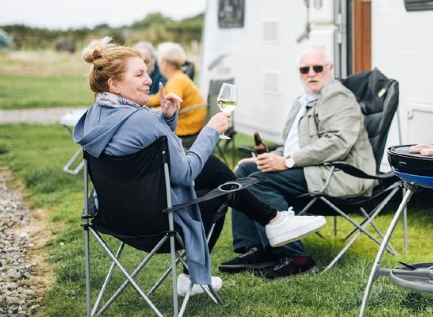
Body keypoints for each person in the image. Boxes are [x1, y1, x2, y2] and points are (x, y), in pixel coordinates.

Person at [73, 37, 326, 296]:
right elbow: (184, 172)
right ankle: (262, 229)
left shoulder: (93, 118)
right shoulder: (140, 119)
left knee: (215, 170)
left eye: (147, 73)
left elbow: (146, 143)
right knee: (222, 187)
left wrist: (166, 118)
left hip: (116, 219)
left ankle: (273, 220)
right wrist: (210, 131)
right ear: (114, 84)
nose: (148, 80)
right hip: (159, 224)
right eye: (139, 74)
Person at [219, 46, 374, 280]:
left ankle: (297, 257)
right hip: (311, 168)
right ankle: (256, 250)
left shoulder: (337, 96)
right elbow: (290, 146)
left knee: (257, 180)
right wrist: (263, 158)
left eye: (317, 68)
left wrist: (289, 161)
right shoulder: (302, 101)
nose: (311, 73)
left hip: (338, 173)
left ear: (330, 69)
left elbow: (338, 141)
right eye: (305, 69)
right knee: (244, 170)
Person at [146, 42, 205, 148]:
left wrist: (149, 111)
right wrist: (142, 99)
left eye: (160, 61)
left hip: (188, 126)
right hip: (192, 121)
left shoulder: (176, 81)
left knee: (148, 128)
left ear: (165, 62)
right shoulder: (178, 77)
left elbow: (170, 105)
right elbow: (160, 98)